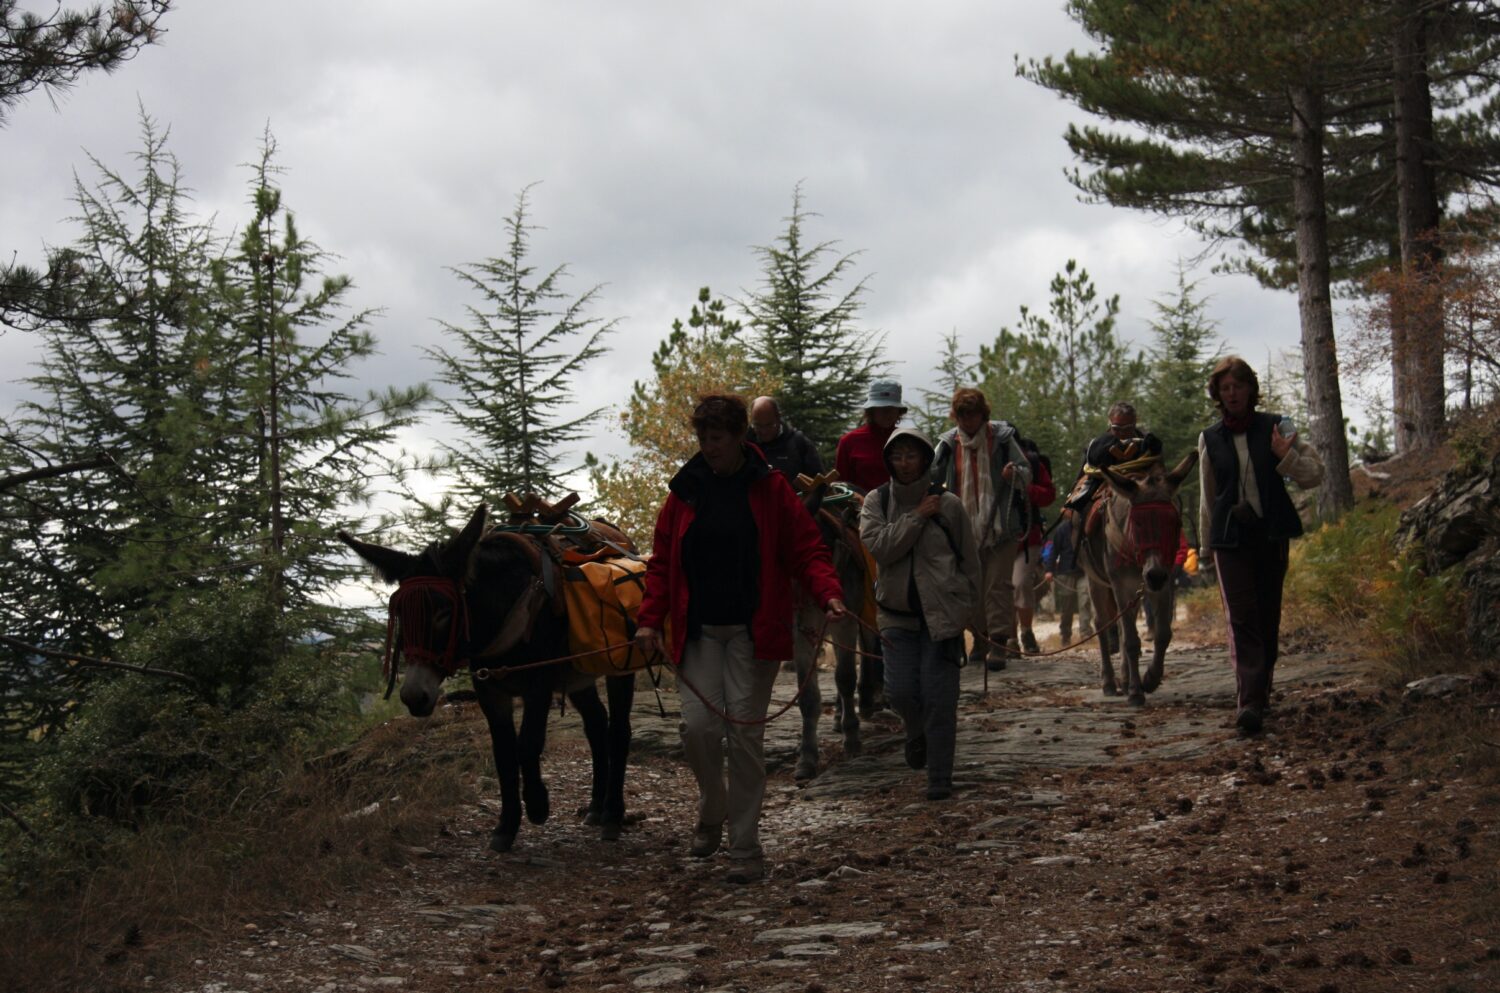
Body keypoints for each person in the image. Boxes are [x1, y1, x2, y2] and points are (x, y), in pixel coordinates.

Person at [634, 394, 846, 883]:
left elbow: (806, 550)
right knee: (699, 729)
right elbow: (662, 562)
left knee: (745, 736)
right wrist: (649, 620)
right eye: (702, 439)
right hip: (698, 632)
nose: (708, 448)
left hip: (754, 632)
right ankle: (713, 808)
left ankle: (745, 846)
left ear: (739, 438)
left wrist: (829, 593)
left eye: (717, 439)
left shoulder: (770, 489)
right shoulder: (685, 490)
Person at [1197, 357, 1323, 736]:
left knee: (1268, 615)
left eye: (1238, 386)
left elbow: (1314, 475)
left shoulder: (1277, 426)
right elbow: (1208, 497)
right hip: (1229, 538)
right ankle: (1249, 701)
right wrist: (1205, 548)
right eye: (1225, 388)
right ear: (1218, 395)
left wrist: (1286, 454)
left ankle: (1261, 688)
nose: (1232, 393)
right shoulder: (1210, 437)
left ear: (1251, 388)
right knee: (1242, 617)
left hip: (1270, 534)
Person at [859, 427, 980, 801]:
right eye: (897, 456)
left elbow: (970, 563)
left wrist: (968, 613)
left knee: (940, 698)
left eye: (912, 455)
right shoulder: (876, 502)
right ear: (888, 461)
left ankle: (939, 778)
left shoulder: (951, 505)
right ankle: (915, 732)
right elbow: (881, 548)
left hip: (942, 617)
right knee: (901, 694)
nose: (904, 463)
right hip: (896, 618)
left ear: (926, 459)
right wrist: (915, 517)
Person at [930, 388, 1032, 671]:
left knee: (997, 585)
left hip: (1001, 526)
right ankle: (980, 638)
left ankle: (999, 642)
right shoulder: (948, 444)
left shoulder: (1001, 439)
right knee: (970, 586)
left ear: (982, 414)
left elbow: (1026, 470)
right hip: (962, 529)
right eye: (963, 414)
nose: (968, 420)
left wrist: (1015, 474)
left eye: (973, 414)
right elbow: (932, 475)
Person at [1064, 401, 1164, 518]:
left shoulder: (1149, 444)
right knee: (1081, 511)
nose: (1122, 433)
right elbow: (1085, 472)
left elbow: (1160, 472)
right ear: (1109, 422)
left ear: (1135, 422)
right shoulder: (1097, 446)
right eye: (1116, 428)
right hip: (1105, 480)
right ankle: (1080, 534)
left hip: (1141, 485)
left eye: (1127, 428)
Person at [1011, 443, 1056, 654]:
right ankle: (1005, 638)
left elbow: (1048, 494)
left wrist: (1023, 487)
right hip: (991, 538)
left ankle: (1026, 631)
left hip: (1027, 540)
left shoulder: (1032, 463)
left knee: (1019, 584)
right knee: (996, 590)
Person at [835, 380, 906, 492]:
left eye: (891, 408)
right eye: (881, 409)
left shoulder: (908, 439)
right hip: (861, 507)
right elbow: (841, 486)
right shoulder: (849, 441)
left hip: (905, 506)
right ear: (871, 411)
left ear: (899, 411)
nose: (887, 413)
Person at [1043, 515, 1093, 644]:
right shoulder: (1061, 529)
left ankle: (1085, 634)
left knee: (1085, 602)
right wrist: (1049, 570)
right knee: (1067, 607)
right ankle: (1065, 634)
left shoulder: (1087, 526)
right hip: (1066, 572)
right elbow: (1054, 550)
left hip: (1084, 571)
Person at [750, 395, 823, 483]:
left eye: (769, 425)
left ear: (779, 418)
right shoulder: (744, 445)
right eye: (758, 426)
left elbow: (819, 482)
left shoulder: (799, 443)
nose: (764, 431)